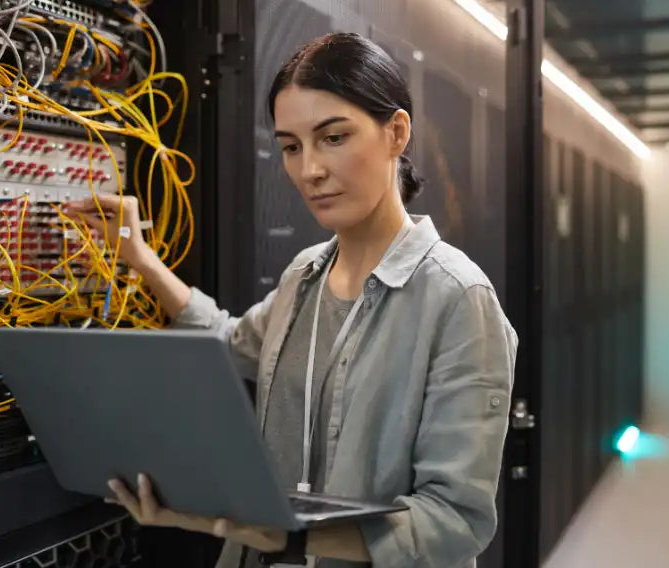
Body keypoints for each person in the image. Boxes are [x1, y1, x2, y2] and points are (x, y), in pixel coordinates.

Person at [67, 32, 517, 568]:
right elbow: (229, 341)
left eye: (333, 137)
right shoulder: (304, 275)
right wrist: (141, 260)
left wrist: (287, 538)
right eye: (291, 146)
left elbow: (454, 522)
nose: (309, 171)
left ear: (396, 133)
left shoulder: (457, 299)